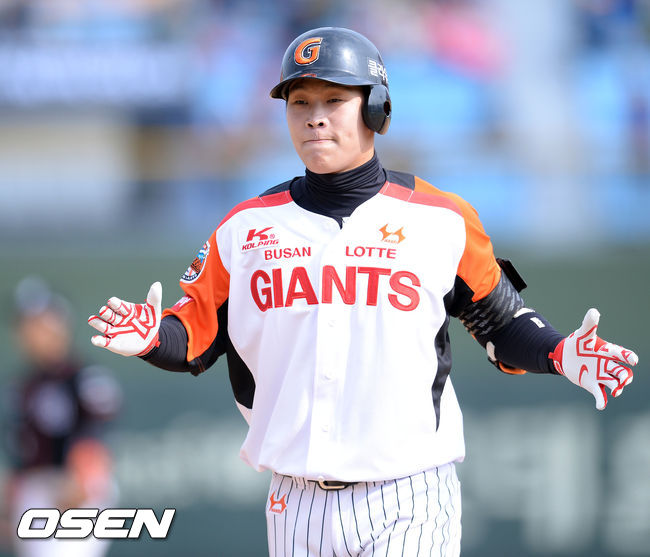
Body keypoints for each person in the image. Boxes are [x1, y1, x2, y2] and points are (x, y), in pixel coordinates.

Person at [87, 27, 638, 557]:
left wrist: (559, 351)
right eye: (300, 102)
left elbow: (502, 323)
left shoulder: (440, 219)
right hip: (295, 501)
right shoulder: (244, 229)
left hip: (409, 496)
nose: (315, 116)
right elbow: (193, 338)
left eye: (334, 99)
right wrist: (151, 337)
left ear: (376, 109)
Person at [3, 276, 121, 557]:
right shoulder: (22, 387)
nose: (34, 333)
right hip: (34, 491)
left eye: (41, 323)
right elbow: (19, 451)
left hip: (74, 484)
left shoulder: (84, 378)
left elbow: (97, 433)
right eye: (27, 325)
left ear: (61, 324)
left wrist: (84, 476)